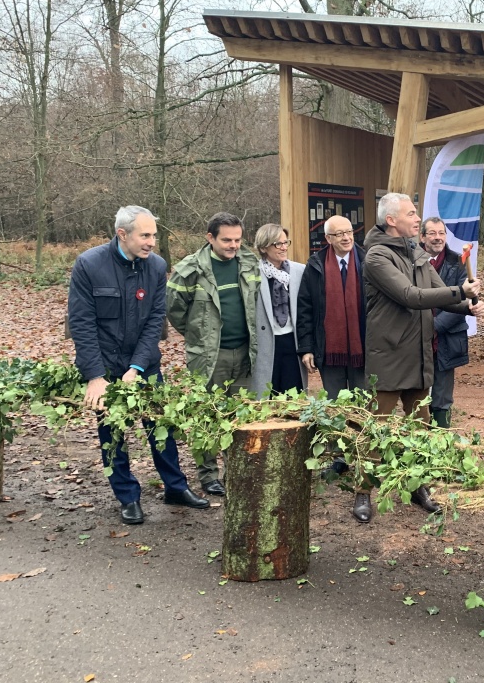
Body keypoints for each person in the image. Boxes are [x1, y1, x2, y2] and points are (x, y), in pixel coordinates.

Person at [68, 206, 209, 525]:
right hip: (104, 366)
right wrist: (95, 376)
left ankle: (175, 487)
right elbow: (82, 323)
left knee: (161, 425)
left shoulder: (156, 266)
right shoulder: (89, 264)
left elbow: (155, 320)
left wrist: (137, 367)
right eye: (145, 235)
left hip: (144, 364)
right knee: (112, 433)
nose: (152, 242)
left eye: (154, 235)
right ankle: (127, 497)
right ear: (122, 234)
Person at [359, 193, 481, 523]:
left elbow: (439, 294)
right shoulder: (377, 256)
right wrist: (460, 291)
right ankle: (362, 490)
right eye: (411, 213)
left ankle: (418, 486)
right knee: (377, 428)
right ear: (391, 220)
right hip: (389, 354)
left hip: (419, 353)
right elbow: (410, 296)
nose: (418, 218)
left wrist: (467, 305)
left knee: (420, 427)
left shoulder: (416, 252)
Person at [167, 212, 261, 497]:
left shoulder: (249, 262)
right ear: (210, 238)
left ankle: (237, 471)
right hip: (209, 356)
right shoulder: (190, 269)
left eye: (238, 239)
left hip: (244, 353)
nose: (233, 245)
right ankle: (208, 475)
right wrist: (200, 336)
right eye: (227, 240)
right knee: (206, 415)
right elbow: (175, 311)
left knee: (240, 415)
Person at [297, 215, 367, 399]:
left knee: (364, 404)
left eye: (349, 232)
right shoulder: (315, 265)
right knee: (335, 405)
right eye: (340, 234)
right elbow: (305, 310)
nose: (347, 238)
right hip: (329, 351)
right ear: (328, 238)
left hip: (363, 350)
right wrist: (306, 348)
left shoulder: (367, 261)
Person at [419, 216, 470, 428]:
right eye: (432, 233)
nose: (438, 238)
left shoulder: (458, 262)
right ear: (422, 237)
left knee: (442, 397)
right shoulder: (411, 261)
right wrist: (422, 328)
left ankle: (442, 438)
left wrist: (434, 327)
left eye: (441, 233)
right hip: (415, 338)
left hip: (447, 339)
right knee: (417, 394)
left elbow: (464, 301)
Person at [252, 224, 308, 397]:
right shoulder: (253, 274)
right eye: (278, 244)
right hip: (266, 344)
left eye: (286, 242)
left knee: (294, 397)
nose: (284, 247)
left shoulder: (300, 270)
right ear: (263, 247)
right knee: (267, 396)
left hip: (293, 342)